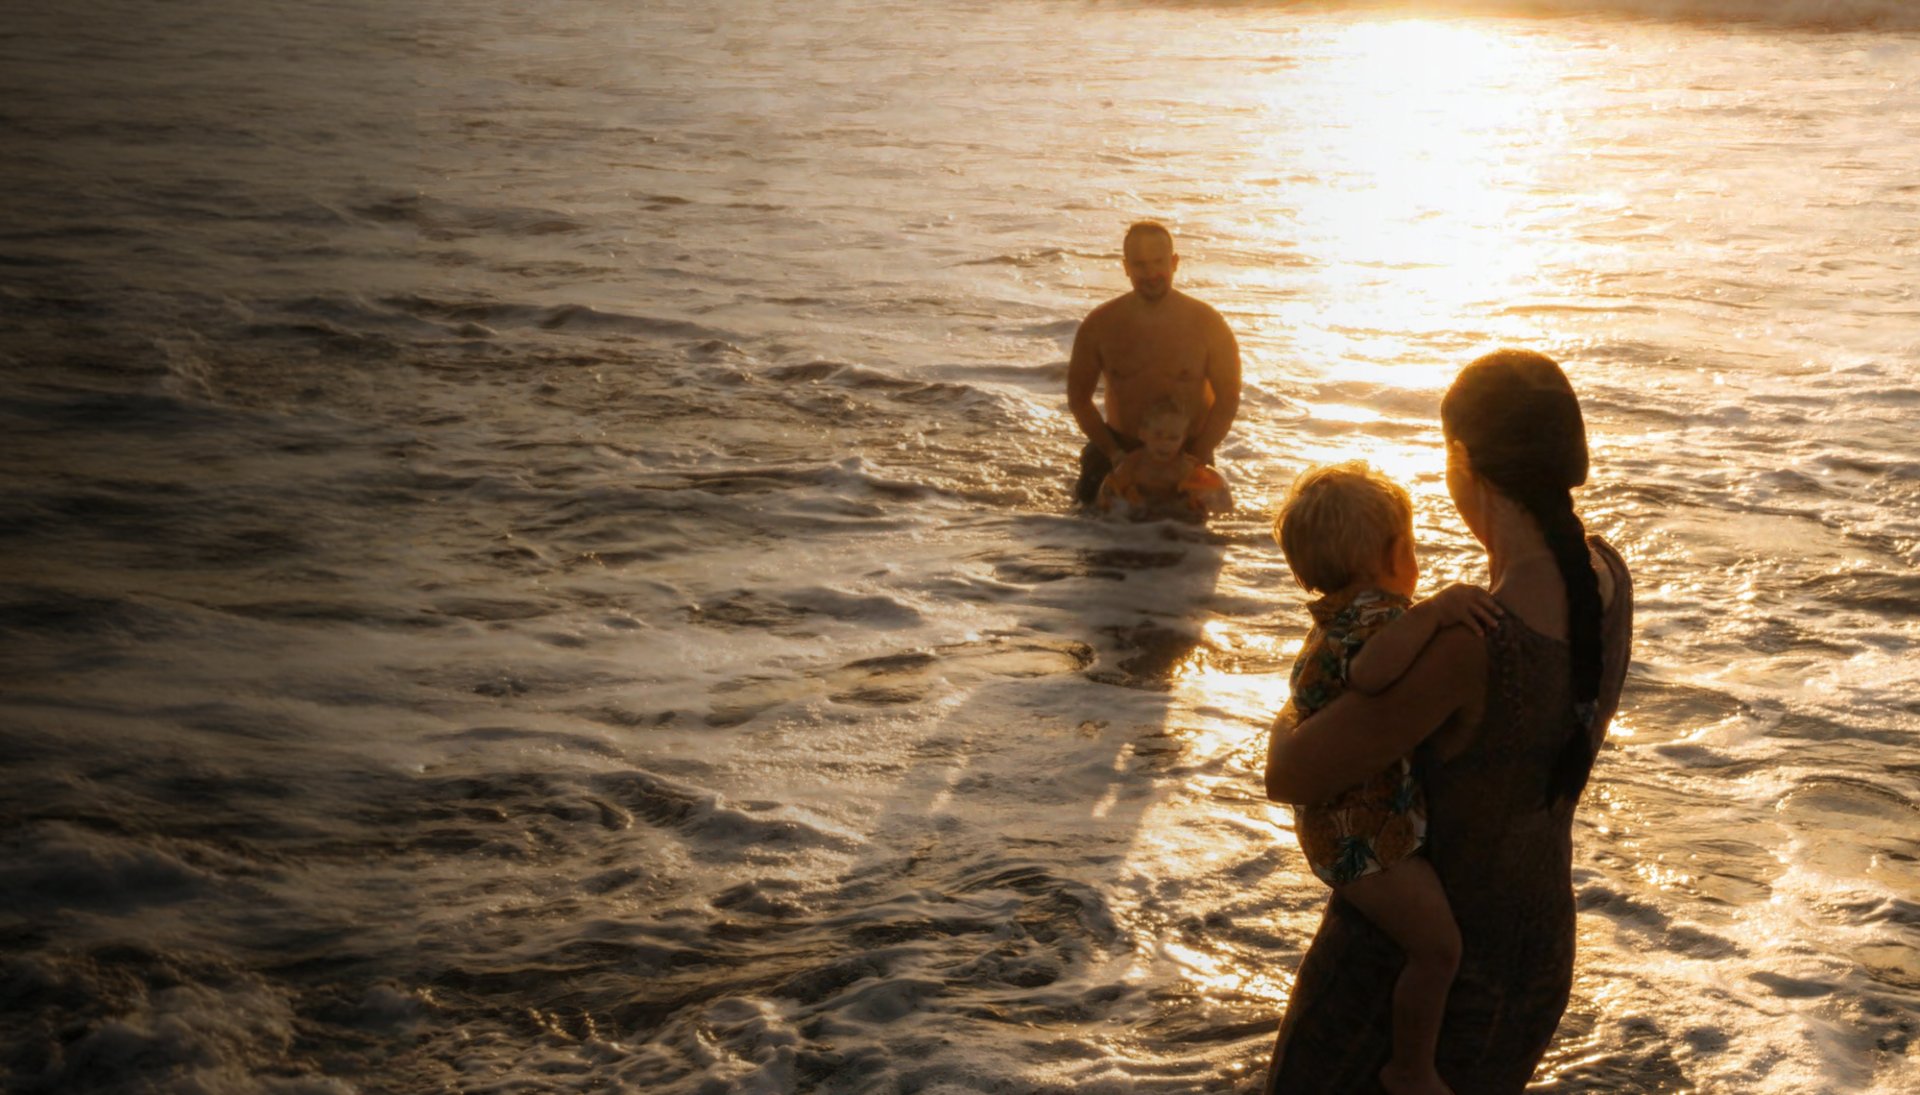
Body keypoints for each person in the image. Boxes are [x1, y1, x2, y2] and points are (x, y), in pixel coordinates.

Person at [1263, 350, 1635, 1094]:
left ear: (1461, 457)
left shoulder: (1471, 643)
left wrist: (1289, 711)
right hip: (1534, 955)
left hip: (1413, 972)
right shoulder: (1606, 576)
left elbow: (1291, 772)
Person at [1272, 461, 1503, 1095]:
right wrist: (1434, 612)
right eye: (1413, 542)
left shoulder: (1341, 617)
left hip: (1347, 823)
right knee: (1438, 949)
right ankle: (1409, 1068)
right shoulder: (1378, 618)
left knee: (1425, 940)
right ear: (1392, 553)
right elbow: (1373, 676)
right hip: (1361, 836)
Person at [1067, 221, 1241, 505]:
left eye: (1158, 262)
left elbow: (1228, 398)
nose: (1150, 274)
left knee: (1196, 545)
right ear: (1125, 267)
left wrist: (1197, 456)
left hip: (1188, 451)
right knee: (1086, 541)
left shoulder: (1208, 324)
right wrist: (1115, 454)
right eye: (1140, 265)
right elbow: (1078, 399)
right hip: (1117, 451)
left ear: (1174, 263)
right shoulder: (1099, 325)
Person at [1097, 396, 1233, 519]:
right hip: (1141, 515)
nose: (1165, 444)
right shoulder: (1132, 465)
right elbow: (1109, 498)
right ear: (1143, 433)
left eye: (1173, 438)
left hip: (1176, 515)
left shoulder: (1187, 468)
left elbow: (1220, 506)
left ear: (1183, 439)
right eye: (1158, 435)